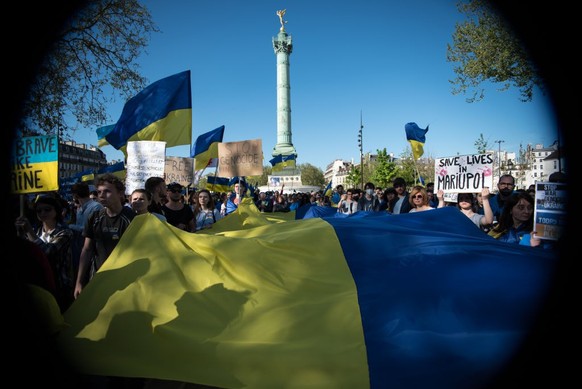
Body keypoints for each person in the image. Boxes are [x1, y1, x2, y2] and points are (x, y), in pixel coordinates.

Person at [74, 174, 135, 298]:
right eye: (99, 191)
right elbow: (87, 249)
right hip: (98, 276)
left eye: (107, 191)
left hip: (125, 279)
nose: (101, 195)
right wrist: (79, 281)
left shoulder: (132, 218)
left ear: (120, 193)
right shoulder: (95, 217)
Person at [15, 194, 75, 312]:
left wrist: (29, 233)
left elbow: (47, 252)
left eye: (47, 209)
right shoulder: (37, 232)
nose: (43, 213)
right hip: (39, 285)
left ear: (56, 211)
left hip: (59, 286)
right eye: (39, 211)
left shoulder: (65, 233)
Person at [68, 182, 103, 274]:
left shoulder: (96, 207)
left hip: (91, 248)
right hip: (80, 246)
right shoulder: (80, 209)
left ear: (75, 195)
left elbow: (91, 229)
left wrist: (71, 227)